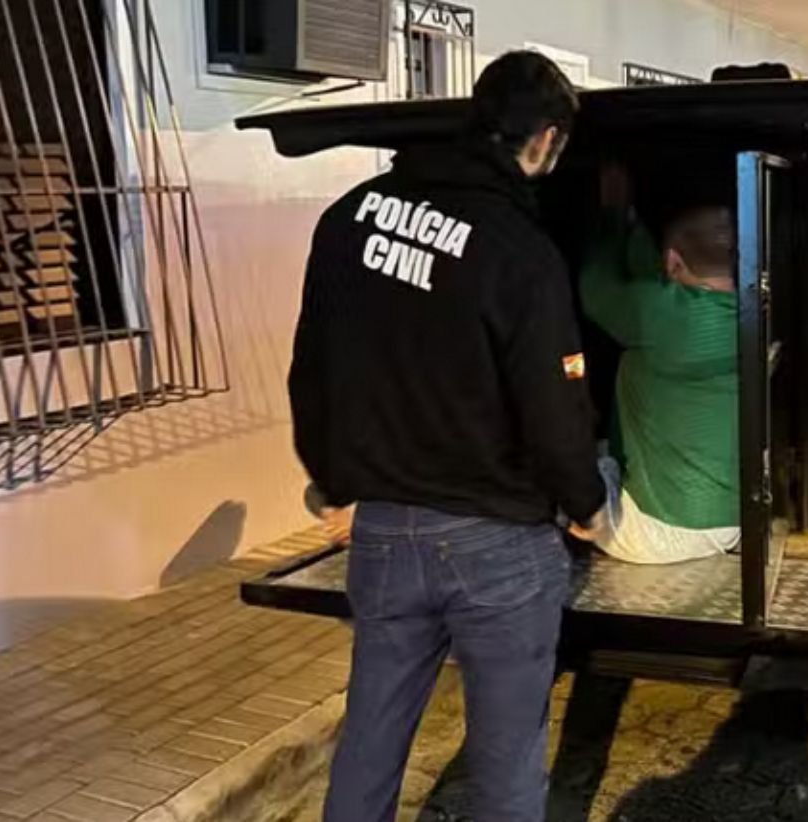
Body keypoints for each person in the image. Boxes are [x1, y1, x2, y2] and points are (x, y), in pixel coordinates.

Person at [289, 51, 607, 822]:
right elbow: (552, 405)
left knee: (370, 737)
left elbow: (312, 370)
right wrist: (584, 502)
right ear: (545, 141)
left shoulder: (348, 219)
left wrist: (331, 480)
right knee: (505, 759)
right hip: (497, 544)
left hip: (383, 534)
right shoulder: (518, 249)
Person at [580, 165, 740, 564]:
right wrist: (634, 226)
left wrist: (614, 213)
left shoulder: (664, 316)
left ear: (673, 262)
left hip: (658, 532)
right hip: (731, 521)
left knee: (555, 463)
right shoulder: (751, 313)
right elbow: (657, 284)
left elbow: (595, 286)